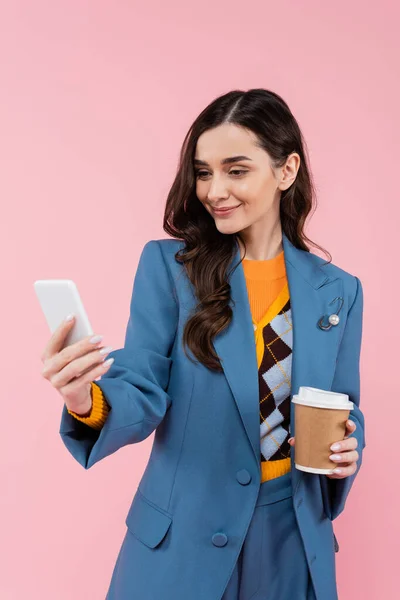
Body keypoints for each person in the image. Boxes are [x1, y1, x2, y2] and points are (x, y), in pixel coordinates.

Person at [41, 88, 365, 600]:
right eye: (204, 171)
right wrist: (85, 399)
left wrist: (350, 445)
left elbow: (344, 405)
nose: (215, 189)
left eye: (236, 170)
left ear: (286, 171)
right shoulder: (170, 270)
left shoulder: (340, 290)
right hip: (182, 543)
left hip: (293, 539)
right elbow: (141, 383)